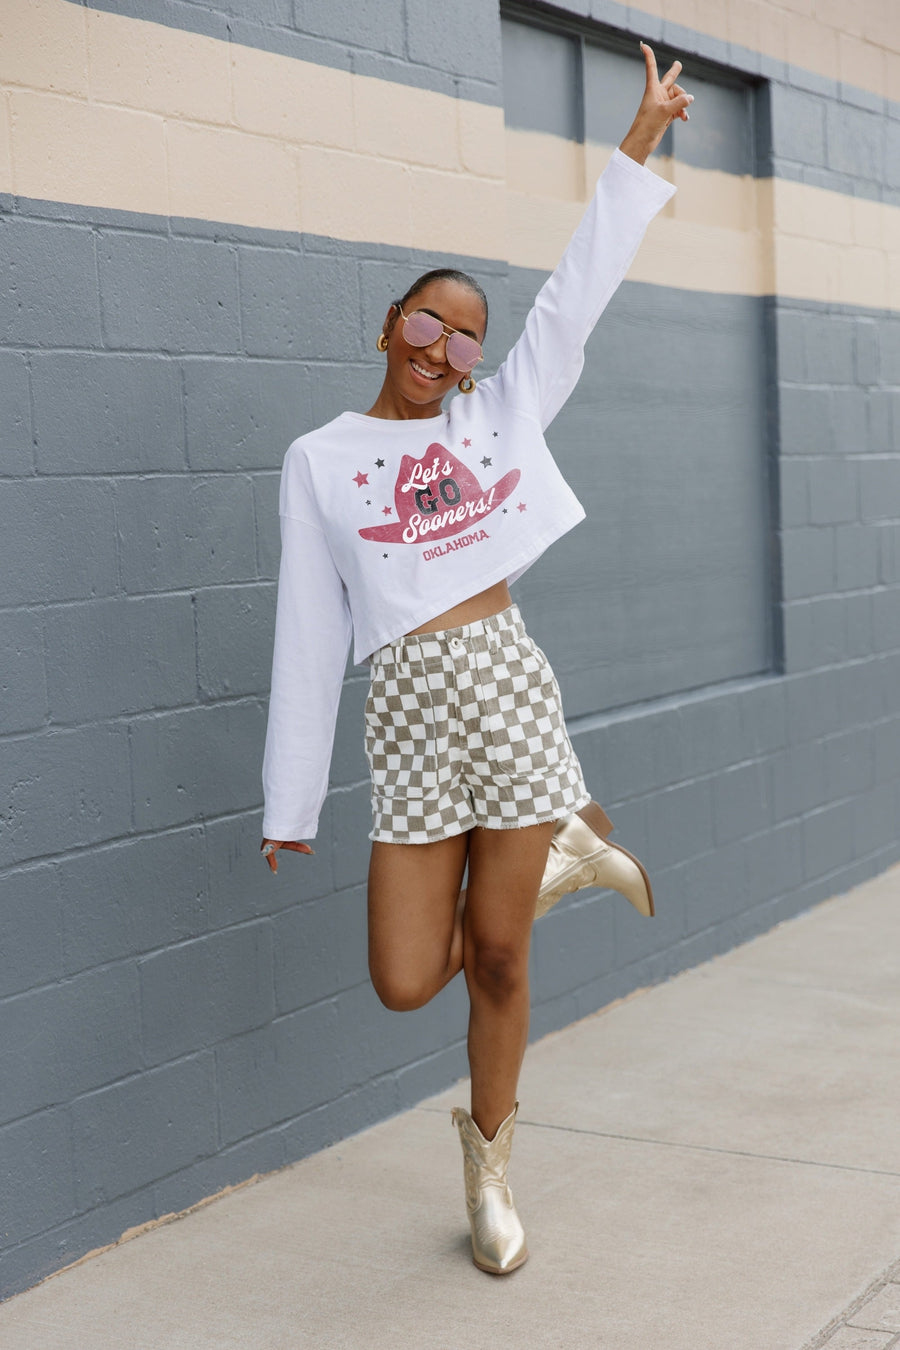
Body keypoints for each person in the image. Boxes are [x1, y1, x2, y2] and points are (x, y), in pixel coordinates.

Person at [260, 43, 692, 1275]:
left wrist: (641, 136)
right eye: (425, 320)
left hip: (503, 687)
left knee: (494, 957)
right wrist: (291, 797)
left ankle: (492, 1174)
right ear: (387, 324)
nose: (442, 346)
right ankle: (563, 854)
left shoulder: (495, 416)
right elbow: (308, 628)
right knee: (407, 976)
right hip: (405, 719)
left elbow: (575, 296)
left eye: (464, 338)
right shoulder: (320, 459)